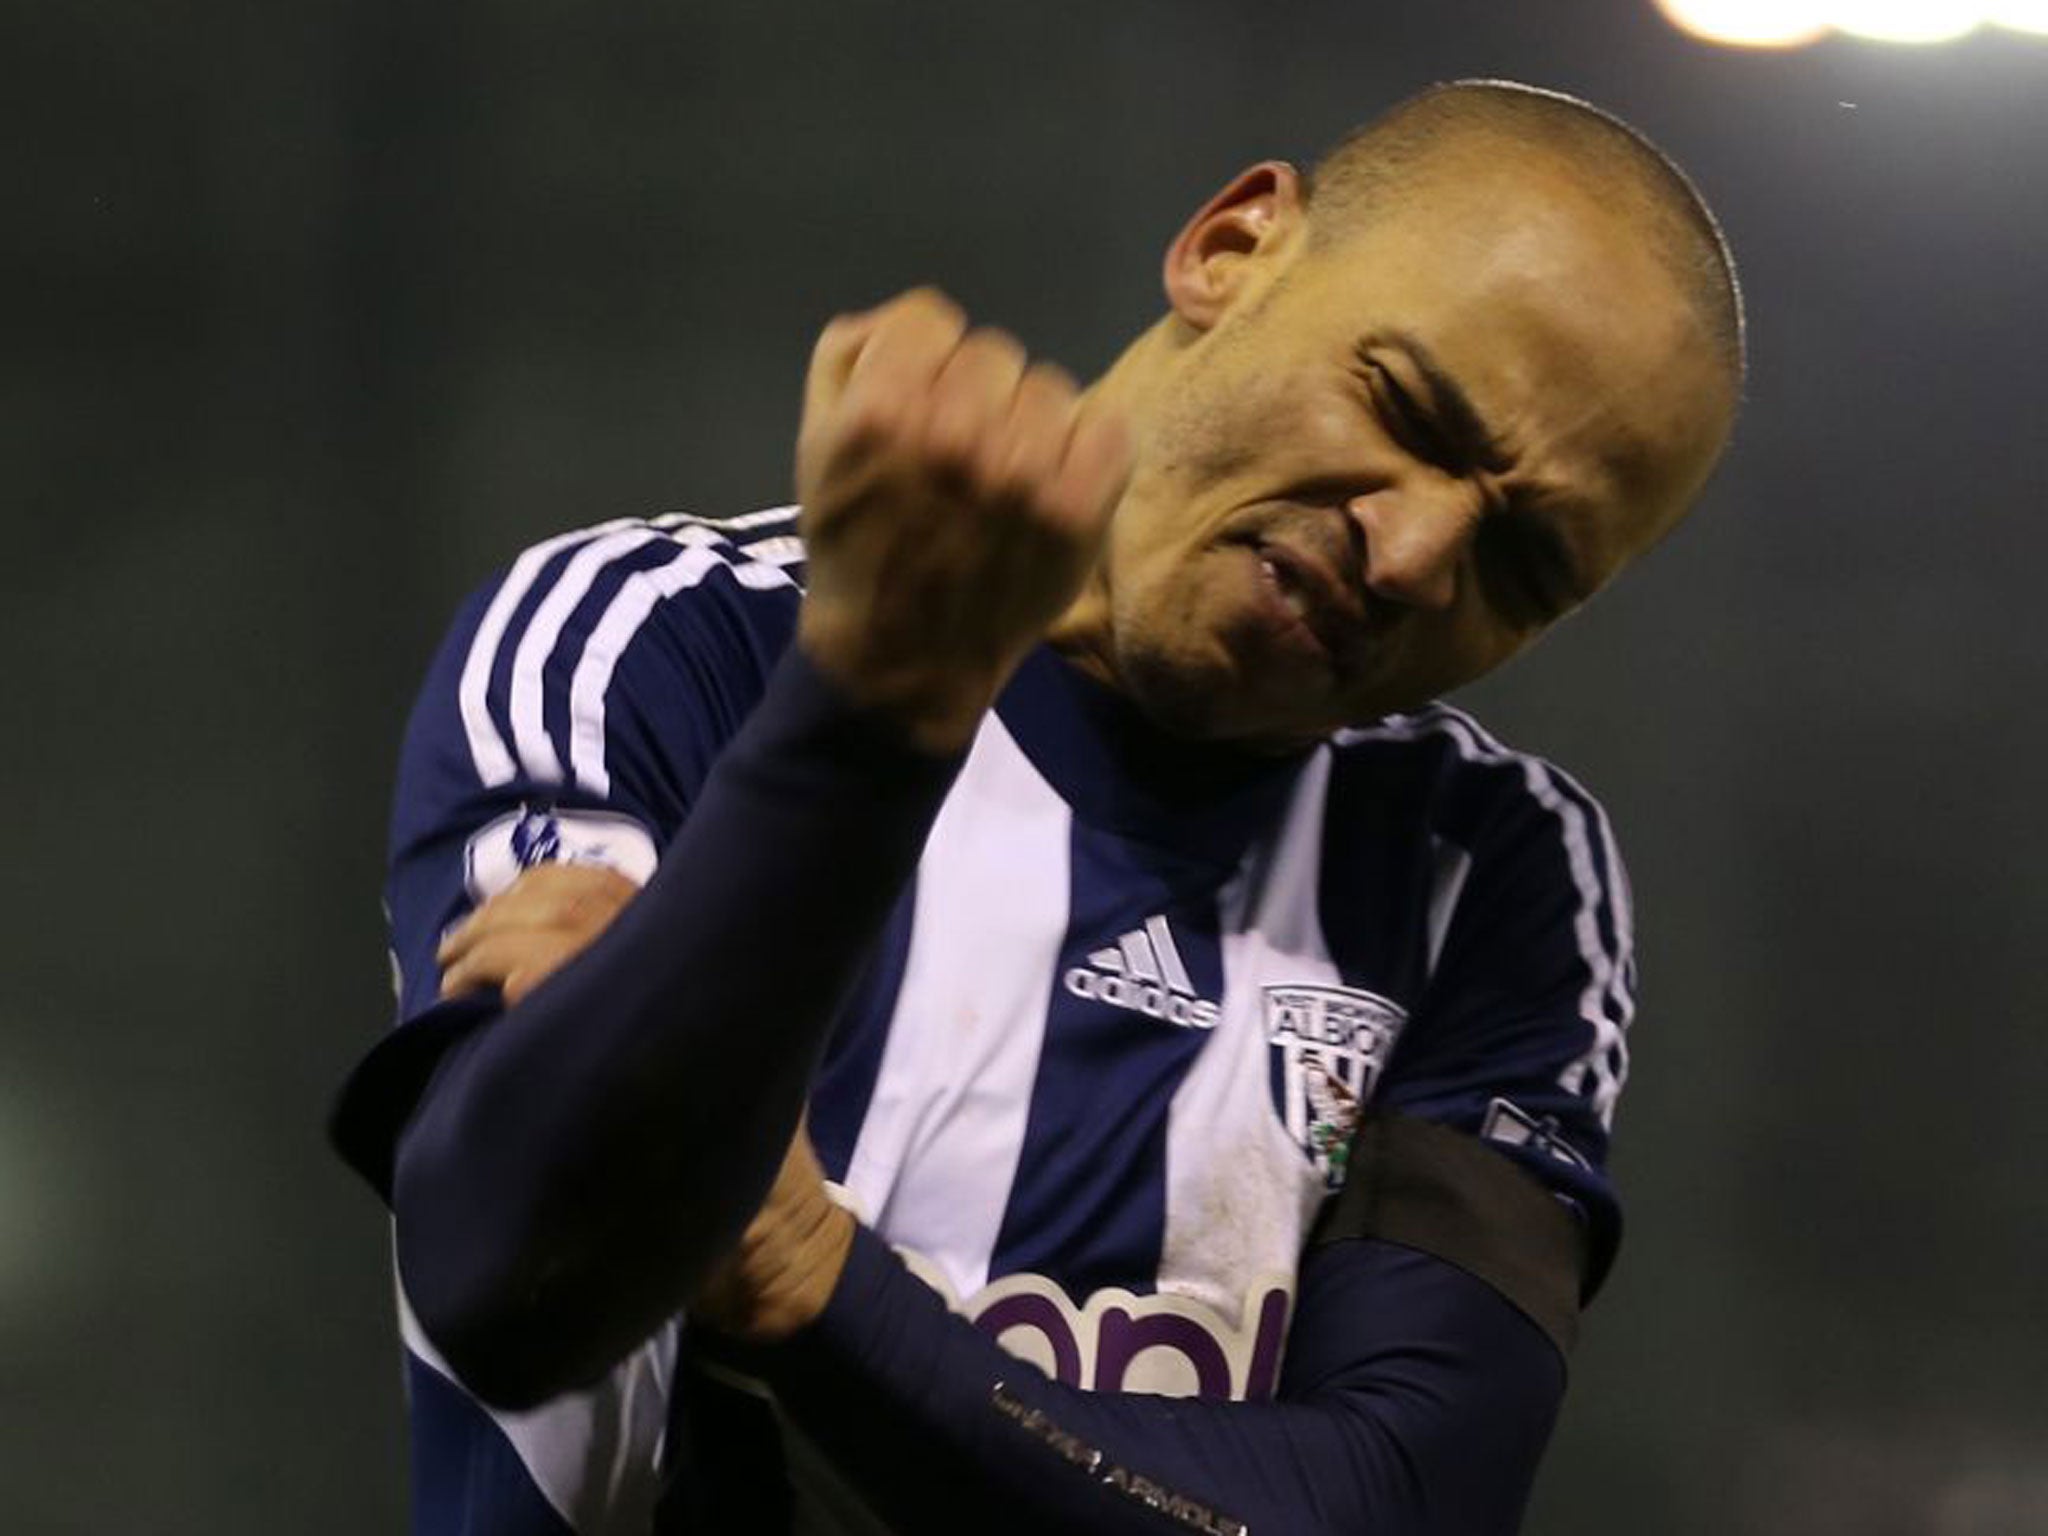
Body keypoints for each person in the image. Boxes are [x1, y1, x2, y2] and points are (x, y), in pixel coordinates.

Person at [332, 78, 1743, 1536]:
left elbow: (1399, 1507)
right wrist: (872, 721)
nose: (1414, 552)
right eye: (1407, 408)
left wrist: (815, 1276)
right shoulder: (662, 640)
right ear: (1234, 245)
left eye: (1526, 567)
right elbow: (513, 1278)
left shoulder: (1484, 868)